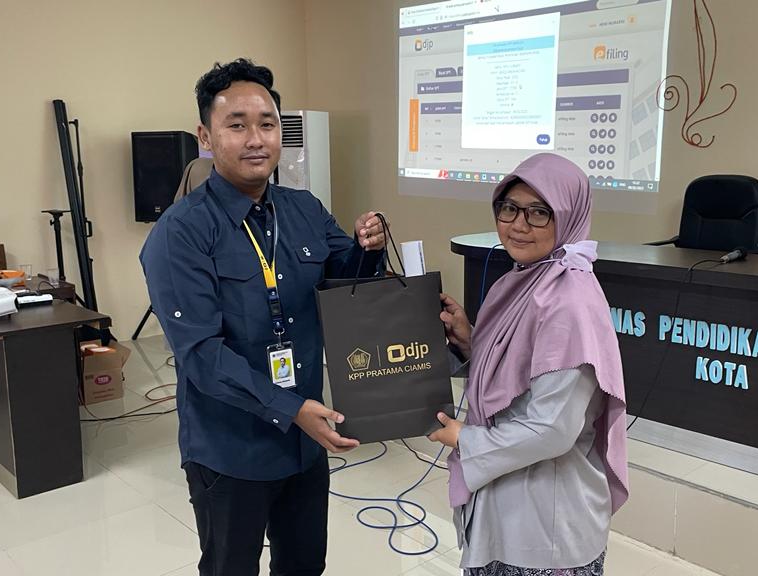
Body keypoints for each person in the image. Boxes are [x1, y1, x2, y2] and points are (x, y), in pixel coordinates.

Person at [140, 58, 388, 576]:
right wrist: (291, 409)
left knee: (304, 564)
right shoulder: (180, 233)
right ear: (205, 137)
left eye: (267, 124)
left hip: (303, 443)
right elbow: (200, 355)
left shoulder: (304, 209)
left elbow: (344, 285)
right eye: (237, 125)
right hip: (231, 448)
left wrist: (368, 249)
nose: (256, 139)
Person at [428, 153, 629, 576]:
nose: (519, 225)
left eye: (539, 212)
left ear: (568, 216)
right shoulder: (526, 279)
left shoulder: (569, 300)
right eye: (509, 208)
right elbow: (523, 374)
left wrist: (465, 438)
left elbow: (552, 429)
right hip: (507, 504)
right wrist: (471, 342)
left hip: (545, 527)